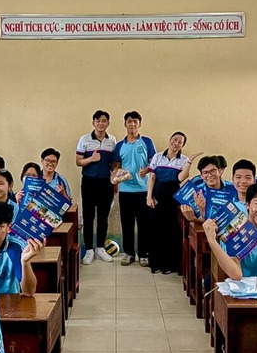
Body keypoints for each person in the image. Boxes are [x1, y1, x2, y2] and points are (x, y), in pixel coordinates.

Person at [203, 183, 257, 283]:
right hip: (239, 291)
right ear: (247, 204)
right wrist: (212, 241)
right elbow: (236, 275)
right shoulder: (233, 233)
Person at [146, 132, 199, 274]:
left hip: (173, 198)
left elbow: (181, 178)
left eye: (180, 142)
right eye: (175, 140)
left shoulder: (183, 159)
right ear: (170, 140)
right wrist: (149, 196)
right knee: (155, 230)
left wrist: (190, 162)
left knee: (171, 231)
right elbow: (152, 177)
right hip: (157, 196)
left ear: (182, 145)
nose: (176, 143)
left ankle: (169, 265)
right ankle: (155, 263)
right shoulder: (158, 156)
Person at [112, 111, 156, 266]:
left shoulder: (147, 142)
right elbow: (116, 165)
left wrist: (147, 169)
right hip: (125, 191)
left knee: (144, 224)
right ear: (125, 124)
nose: (132, 124)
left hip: (144, 190)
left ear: (140, 124)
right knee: (127, 224)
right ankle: (129, 253)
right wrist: (118, 174)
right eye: (129, 121)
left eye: (135, 122)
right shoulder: (119, 145)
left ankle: (143, 254)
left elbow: (154, 163)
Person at [76, 110, 117, 265]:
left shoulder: (112, 140)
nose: (101, 123)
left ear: (108, 123)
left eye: (104, 120)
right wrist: (91, 159)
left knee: (103, 217)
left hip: (106, 183)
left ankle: (100, 247)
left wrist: (116, 175)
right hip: (89, 182)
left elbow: (113, 163)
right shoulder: (84, 139)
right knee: (88, 217)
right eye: (98, 120)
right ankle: (89, 250)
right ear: (93, 122)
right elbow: (78, 161)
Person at [180, 155, 236, 224]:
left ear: (220, 171)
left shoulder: (233, 188)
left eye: (213, 171)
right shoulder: (195, 192)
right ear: (201, 176)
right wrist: (193, 218)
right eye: (205, 172)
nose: (209, 175)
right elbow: (201, 221)